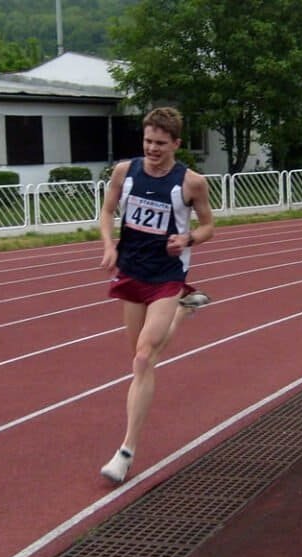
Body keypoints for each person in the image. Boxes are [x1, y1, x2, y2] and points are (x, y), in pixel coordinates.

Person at [98, 106, 215, 484]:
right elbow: (107, 211)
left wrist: (187, 239)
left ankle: (126, 450)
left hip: (167, 275)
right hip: (132, 270)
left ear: (176, 144)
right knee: (140, 357)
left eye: (161, 144)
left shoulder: (191, 182)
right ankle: (183, 312)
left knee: (144, 358)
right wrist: (108, 246)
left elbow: (209, 225)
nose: (152, 149)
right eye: (148, 141)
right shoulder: (124, 171)